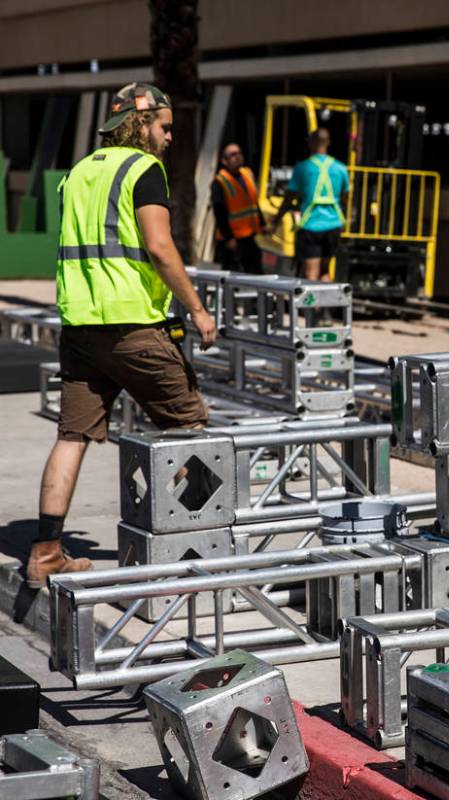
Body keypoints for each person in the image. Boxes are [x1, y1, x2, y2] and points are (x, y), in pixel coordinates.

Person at [26, 82, 217, 588]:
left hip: (81, 329)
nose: (171, 137)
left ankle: (45, 554)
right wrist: (196, 307)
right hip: (134, 325)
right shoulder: (144, 170)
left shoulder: (77, 173)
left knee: (72, 436)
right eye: (166, 126)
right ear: (141, 123)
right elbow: (158, 246)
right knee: (191, 429)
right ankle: (198, 552)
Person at [272, 128, 349, 281]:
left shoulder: (303, 168)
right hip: (333, 225)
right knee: (325, 272)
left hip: (311, 225)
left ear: (311, 143)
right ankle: (325, 304)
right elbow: (344, 198)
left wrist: (276, 220)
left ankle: (312, 305)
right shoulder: (341, 168)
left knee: (311, 273)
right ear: (328, 143)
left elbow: (289, 198)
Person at [211, 142, 264, 274]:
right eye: (233, 155)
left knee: (255, 272)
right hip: (232, 239)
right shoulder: (220, 181)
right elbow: (219, 212)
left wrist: (262, 223)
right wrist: (229, 237)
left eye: (239, 153)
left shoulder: (247, 174)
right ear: (224, 160)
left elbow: (253, 203)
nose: (237, 157)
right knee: (232, 275)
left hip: (249, 235)